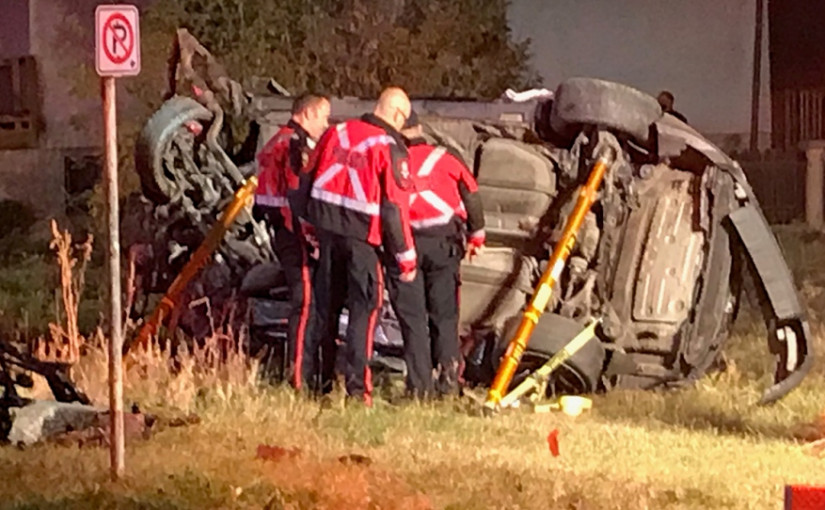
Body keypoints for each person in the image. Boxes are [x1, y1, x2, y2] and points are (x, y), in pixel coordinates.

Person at [292, 87, 417, 405]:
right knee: (365, 310)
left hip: (326, 234)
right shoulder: (390, 147)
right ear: (397, 115)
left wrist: (308, 226)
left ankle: (317, 384)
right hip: (362, 242)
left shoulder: (336, 132)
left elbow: (304, 181)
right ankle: (358, 391)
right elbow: (394, 208)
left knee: (325, 309)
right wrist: (405, 258)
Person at [388, 111, 485, 399]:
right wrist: (476, 232)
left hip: (404, 245)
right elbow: (471, 191)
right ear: (419, 128)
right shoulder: (446, 156)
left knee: (413, 318)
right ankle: (449, 381)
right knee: (444, 316)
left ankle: (418, 386)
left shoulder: (393, 159)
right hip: (443, 245)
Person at [253, 93, 331, 391]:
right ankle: (299, 378)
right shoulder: (295, 145)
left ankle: (299, 373)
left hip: (280, 230)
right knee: (306, 302)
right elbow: (296, 198)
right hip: (293, 234)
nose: (326, 124)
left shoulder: (275, 140)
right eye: (323, 116)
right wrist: (311, 237)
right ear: (308, 114)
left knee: (303, 302)